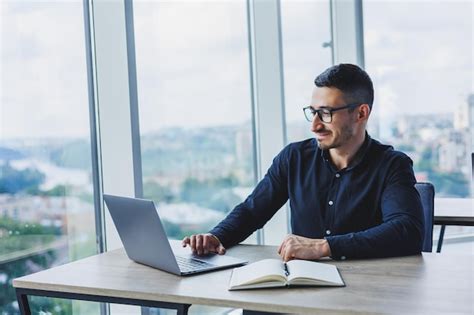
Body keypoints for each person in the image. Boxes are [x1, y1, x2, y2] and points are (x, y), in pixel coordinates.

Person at [182, 63, 424, 261]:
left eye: (326, 113)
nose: (315, 125)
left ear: (361, 113)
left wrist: (325, 247)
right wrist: (217, 237)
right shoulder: (294, 157)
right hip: (302, 285)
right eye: (313, 111)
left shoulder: (392, 165)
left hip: (366, 289)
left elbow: (406, 230)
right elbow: (252, 211)